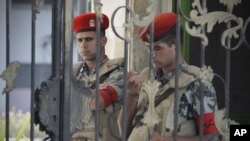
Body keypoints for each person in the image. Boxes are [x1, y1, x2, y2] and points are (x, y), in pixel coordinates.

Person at [118, 12, 218, 141]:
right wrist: (131, 96)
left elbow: (212, 137)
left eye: (157, 48)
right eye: (149, 48)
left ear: (175, 44)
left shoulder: (198, 84)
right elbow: (123, 132)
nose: (152, 55)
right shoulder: (145, 76)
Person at [72, 12, 124, 141]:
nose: (83, 45)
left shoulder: (118, 71)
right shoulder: (72, 72)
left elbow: (96, 102)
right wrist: (90, 90)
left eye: (89, 39)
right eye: (79, 40)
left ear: (103, 41)